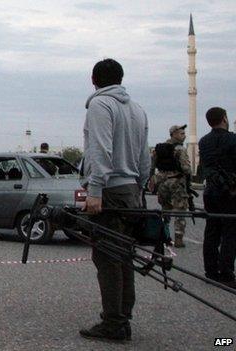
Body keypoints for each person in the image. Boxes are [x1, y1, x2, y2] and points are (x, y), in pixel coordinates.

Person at [80, 58, 150, 342]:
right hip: (132, 189)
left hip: (109, 190)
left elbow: (100, 149)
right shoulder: (137, 109)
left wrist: (95, 190)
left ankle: (113, 323)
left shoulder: (100, 105)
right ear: (120, 79)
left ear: (94, 80)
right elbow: (145, 158)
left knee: (108, 257)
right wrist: (140, 189)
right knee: (125, 257)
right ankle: (124, 318)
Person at [198, 107, 236, 288]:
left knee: (212, 230)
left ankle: (210, 271)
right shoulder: (232, 139)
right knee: (230, 232)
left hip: (210, 191)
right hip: (229, 191)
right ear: (224, 118)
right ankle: (226, 272)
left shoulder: (204, 141)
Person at [150, 125, 191, 247]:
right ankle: (178, 238)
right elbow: (187, 169)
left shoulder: (159, 148)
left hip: (162, 183)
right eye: (181, 134)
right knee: (180, 211)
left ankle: (164, 235)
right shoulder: (180, 150)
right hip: (177, 182)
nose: (184, 136)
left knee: (165, 210)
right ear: (173, 134)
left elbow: (152, 166)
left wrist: (152, 179)